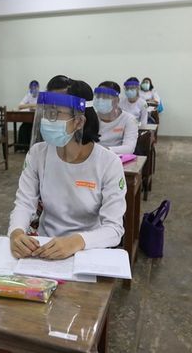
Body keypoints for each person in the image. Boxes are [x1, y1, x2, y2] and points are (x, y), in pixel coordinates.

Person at [9, 79, 126, 259]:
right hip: (43, 246)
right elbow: (25, 203)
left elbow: (114, 228)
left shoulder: (108, 163)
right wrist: (16, 232)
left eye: (55, 113)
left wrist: (77, 241)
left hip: (87, 249)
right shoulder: (38, 154)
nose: (48, 120)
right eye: (46, 112)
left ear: (79, 122)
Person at [94, 81, 138, 154]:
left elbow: (129, 148)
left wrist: (102, 151)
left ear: (117, 100)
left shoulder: (129, 119)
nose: (100, 100)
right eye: (98, 96)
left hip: (116, 158)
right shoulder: (90, 117)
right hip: (92, 157)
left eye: (105, 97)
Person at [16, 80, 40, 151]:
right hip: (29, 118)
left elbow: (42, 106)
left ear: (38, 87)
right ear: (30, 88)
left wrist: (28, 105)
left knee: (32, 128)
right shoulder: (28, 95)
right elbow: (20, 106)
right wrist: (31, 106)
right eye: (32, 88)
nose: (34, 89)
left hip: (38, 120)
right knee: (22, 128)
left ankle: (33, 147)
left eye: (35, 87)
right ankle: (23, 147)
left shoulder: (41, 95)